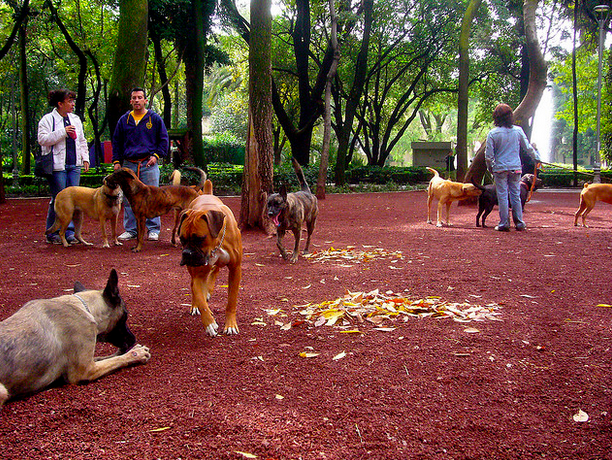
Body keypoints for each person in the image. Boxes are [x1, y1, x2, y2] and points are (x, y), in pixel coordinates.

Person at [111, 87, 169, 241]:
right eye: (134, 98)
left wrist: (156, 156)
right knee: (130, 197)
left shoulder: (154, 119)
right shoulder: (124, 120)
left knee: (152, 196)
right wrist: (117, 162)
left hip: (148, 164)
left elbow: (164, 140)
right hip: (129, 165)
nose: (137, 100)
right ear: (130, 101)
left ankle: (153, 229)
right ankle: (131, 229)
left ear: (145, 100)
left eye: (140, 97)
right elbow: (116, 142)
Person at [38, 89, 90, 244]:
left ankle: (69, 232)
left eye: (73, 101)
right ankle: (52, 233)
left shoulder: (76, 119)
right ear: (60, 104)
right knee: (58, 199)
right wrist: (63, 132)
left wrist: (85, 158)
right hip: (57, 166)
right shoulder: (47, 120)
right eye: (69, 101)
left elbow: (82, 140)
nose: (73, 104)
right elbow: (42, 139)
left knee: (74, 199)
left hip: (74, 165)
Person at [485, 103, 539, 232]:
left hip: (500, 168)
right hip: (515, 167)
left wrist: (490, 168)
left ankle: (504, 223)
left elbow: (488, 156)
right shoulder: (518, 130)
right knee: (515, 194)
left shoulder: (493, 133)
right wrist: (536, 158)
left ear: (496, 117)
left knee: (502, 195)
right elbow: (528, 147)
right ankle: (519, 223)